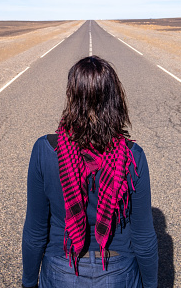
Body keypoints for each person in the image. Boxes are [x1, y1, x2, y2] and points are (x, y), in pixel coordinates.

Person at [22, 56, 158, 287]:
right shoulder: (132, 156)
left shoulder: (44, 151)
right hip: (118, 272)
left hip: (61, 269)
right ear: (115, 99)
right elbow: (143, 236)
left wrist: (28, 282)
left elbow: (35, 230)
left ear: (71, 97)